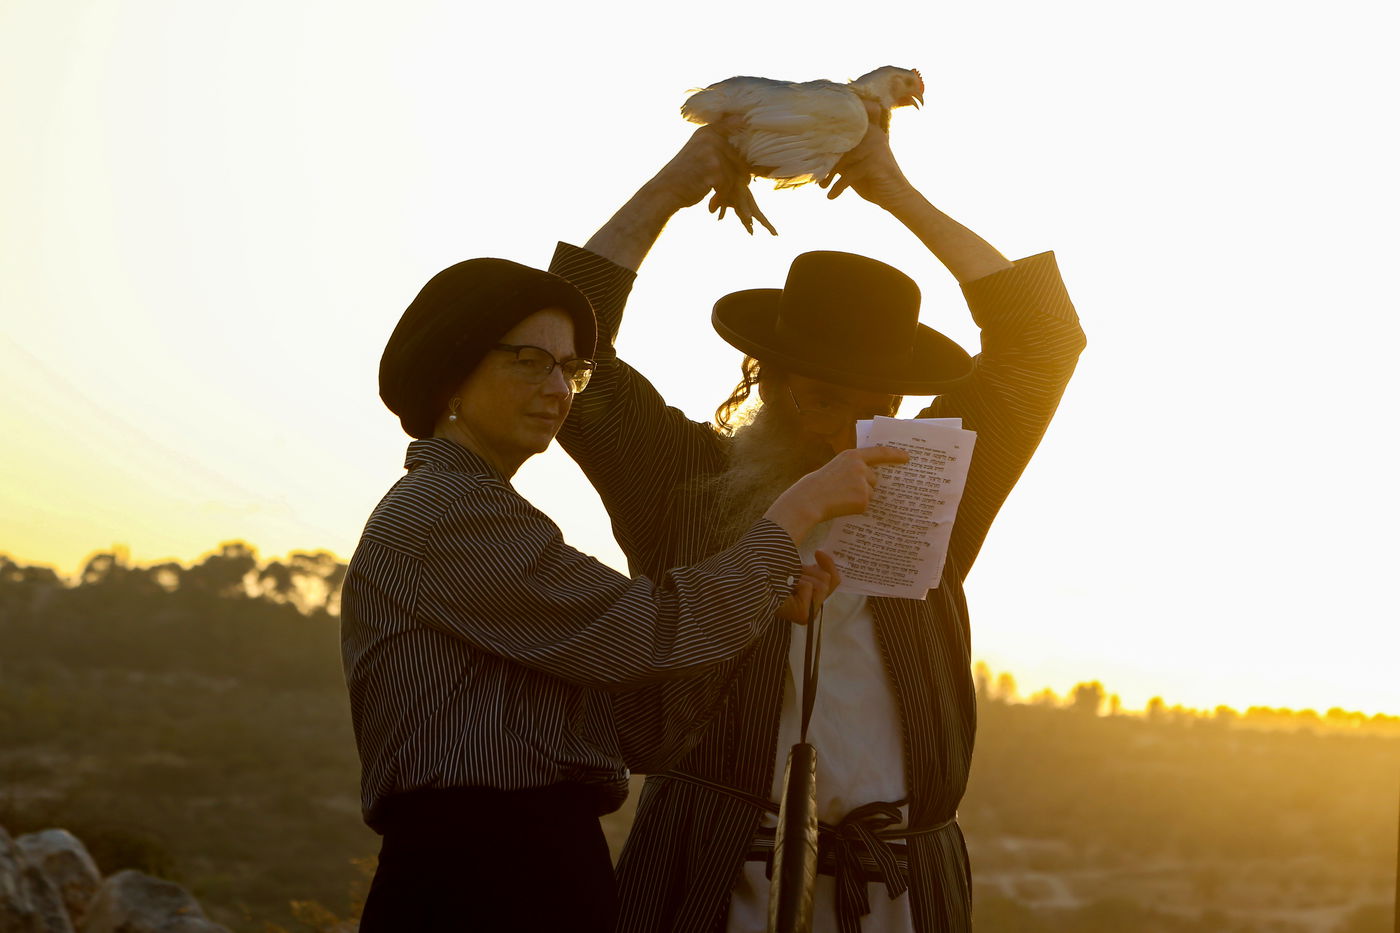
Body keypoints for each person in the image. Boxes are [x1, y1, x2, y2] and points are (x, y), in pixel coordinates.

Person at [548, 122, 1087, 932]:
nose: (848, 436)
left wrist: (890, 186)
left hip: (901, 886)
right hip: (713, 878)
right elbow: (575, 350)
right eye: (824, 399)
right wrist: (678, 181)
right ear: (765, 378)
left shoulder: (931, 481)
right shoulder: (685, 484)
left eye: (879, 408)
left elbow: (1042, 339)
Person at [339, 257, 907, 932]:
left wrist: (762, 600)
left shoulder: (492, 512)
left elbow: (634, 722)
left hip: (540, 866)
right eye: (529, 360)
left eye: (570, 368)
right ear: (450, 374)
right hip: (476, 876)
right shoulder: (446, 513)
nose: (558, 388)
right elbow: (645, 631)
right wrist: (792, 515)